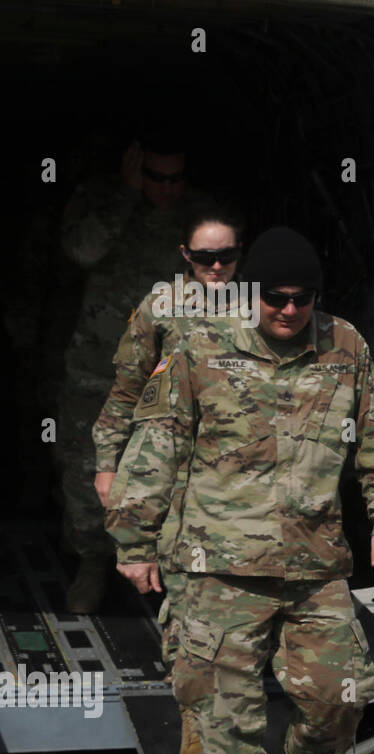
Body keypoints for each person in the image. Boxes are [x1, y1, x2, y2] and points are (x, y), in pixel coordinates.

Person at [106, 227, 374, 754]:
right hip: (217, 565)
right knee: (226, 717)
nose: (287, 310)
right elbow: (156, 444)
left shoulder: (344, 346)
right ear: (253, 294)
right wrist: (133, 540)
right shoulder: (199, 348)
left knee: (343, 696)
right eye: (274, 297)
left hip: (314, 565)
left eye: (301, 299)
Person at [94, 209, 243, 754]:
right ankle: (194, 716)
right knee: (185, 597)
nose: (217, 267)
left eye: (227, 256)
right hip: (179, 474)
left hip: (242, 478)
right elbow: (125, 391)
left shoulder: (262, 308)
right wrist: (107, 463)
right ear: (185, 256)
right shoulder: (161, 308)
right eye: (205, 258)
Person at [59, 132, 204, 612]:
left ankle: (158, 572)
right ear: (134, 167)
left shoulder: (201, 215)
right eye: (156, 177)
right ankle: (92, 564)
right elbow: (82, 250)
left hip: (169, 371)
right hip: (98, 362)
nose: (167, 188)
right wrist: (124, 195)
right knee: (88, 470)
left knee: (170, 470)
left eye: (176, 178)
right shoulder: (105, 200)